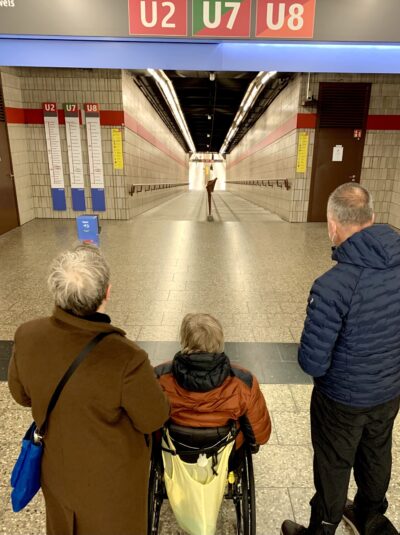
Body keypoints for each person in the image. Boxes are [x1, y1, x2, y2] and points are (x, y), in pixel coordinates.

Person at [8, 244, 170, 535]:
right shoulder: (126, 357)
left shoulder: (27, 335)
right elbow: (152, 418)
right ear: (107, 292)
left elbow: (21, 395)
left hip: (58, 468)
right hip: (113, 482)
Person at [281, 183, 400, 535]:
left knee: (334, 463)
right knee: (377, 451)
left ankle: (324, 526)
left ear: (333, 226)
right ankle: (369, 514)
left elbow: (313, 363)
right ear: (373, 218)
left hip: (341, 401)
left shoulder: (332, 286)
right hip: (389, 391)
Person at [155, 312, 271, 451]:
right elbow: (260, 436)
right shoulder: (243, 382)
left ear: (184, 340)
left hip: (173, 448)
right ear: (220, 341)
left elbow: (145, 421)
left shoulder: (159, 377)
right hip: (224, 451)